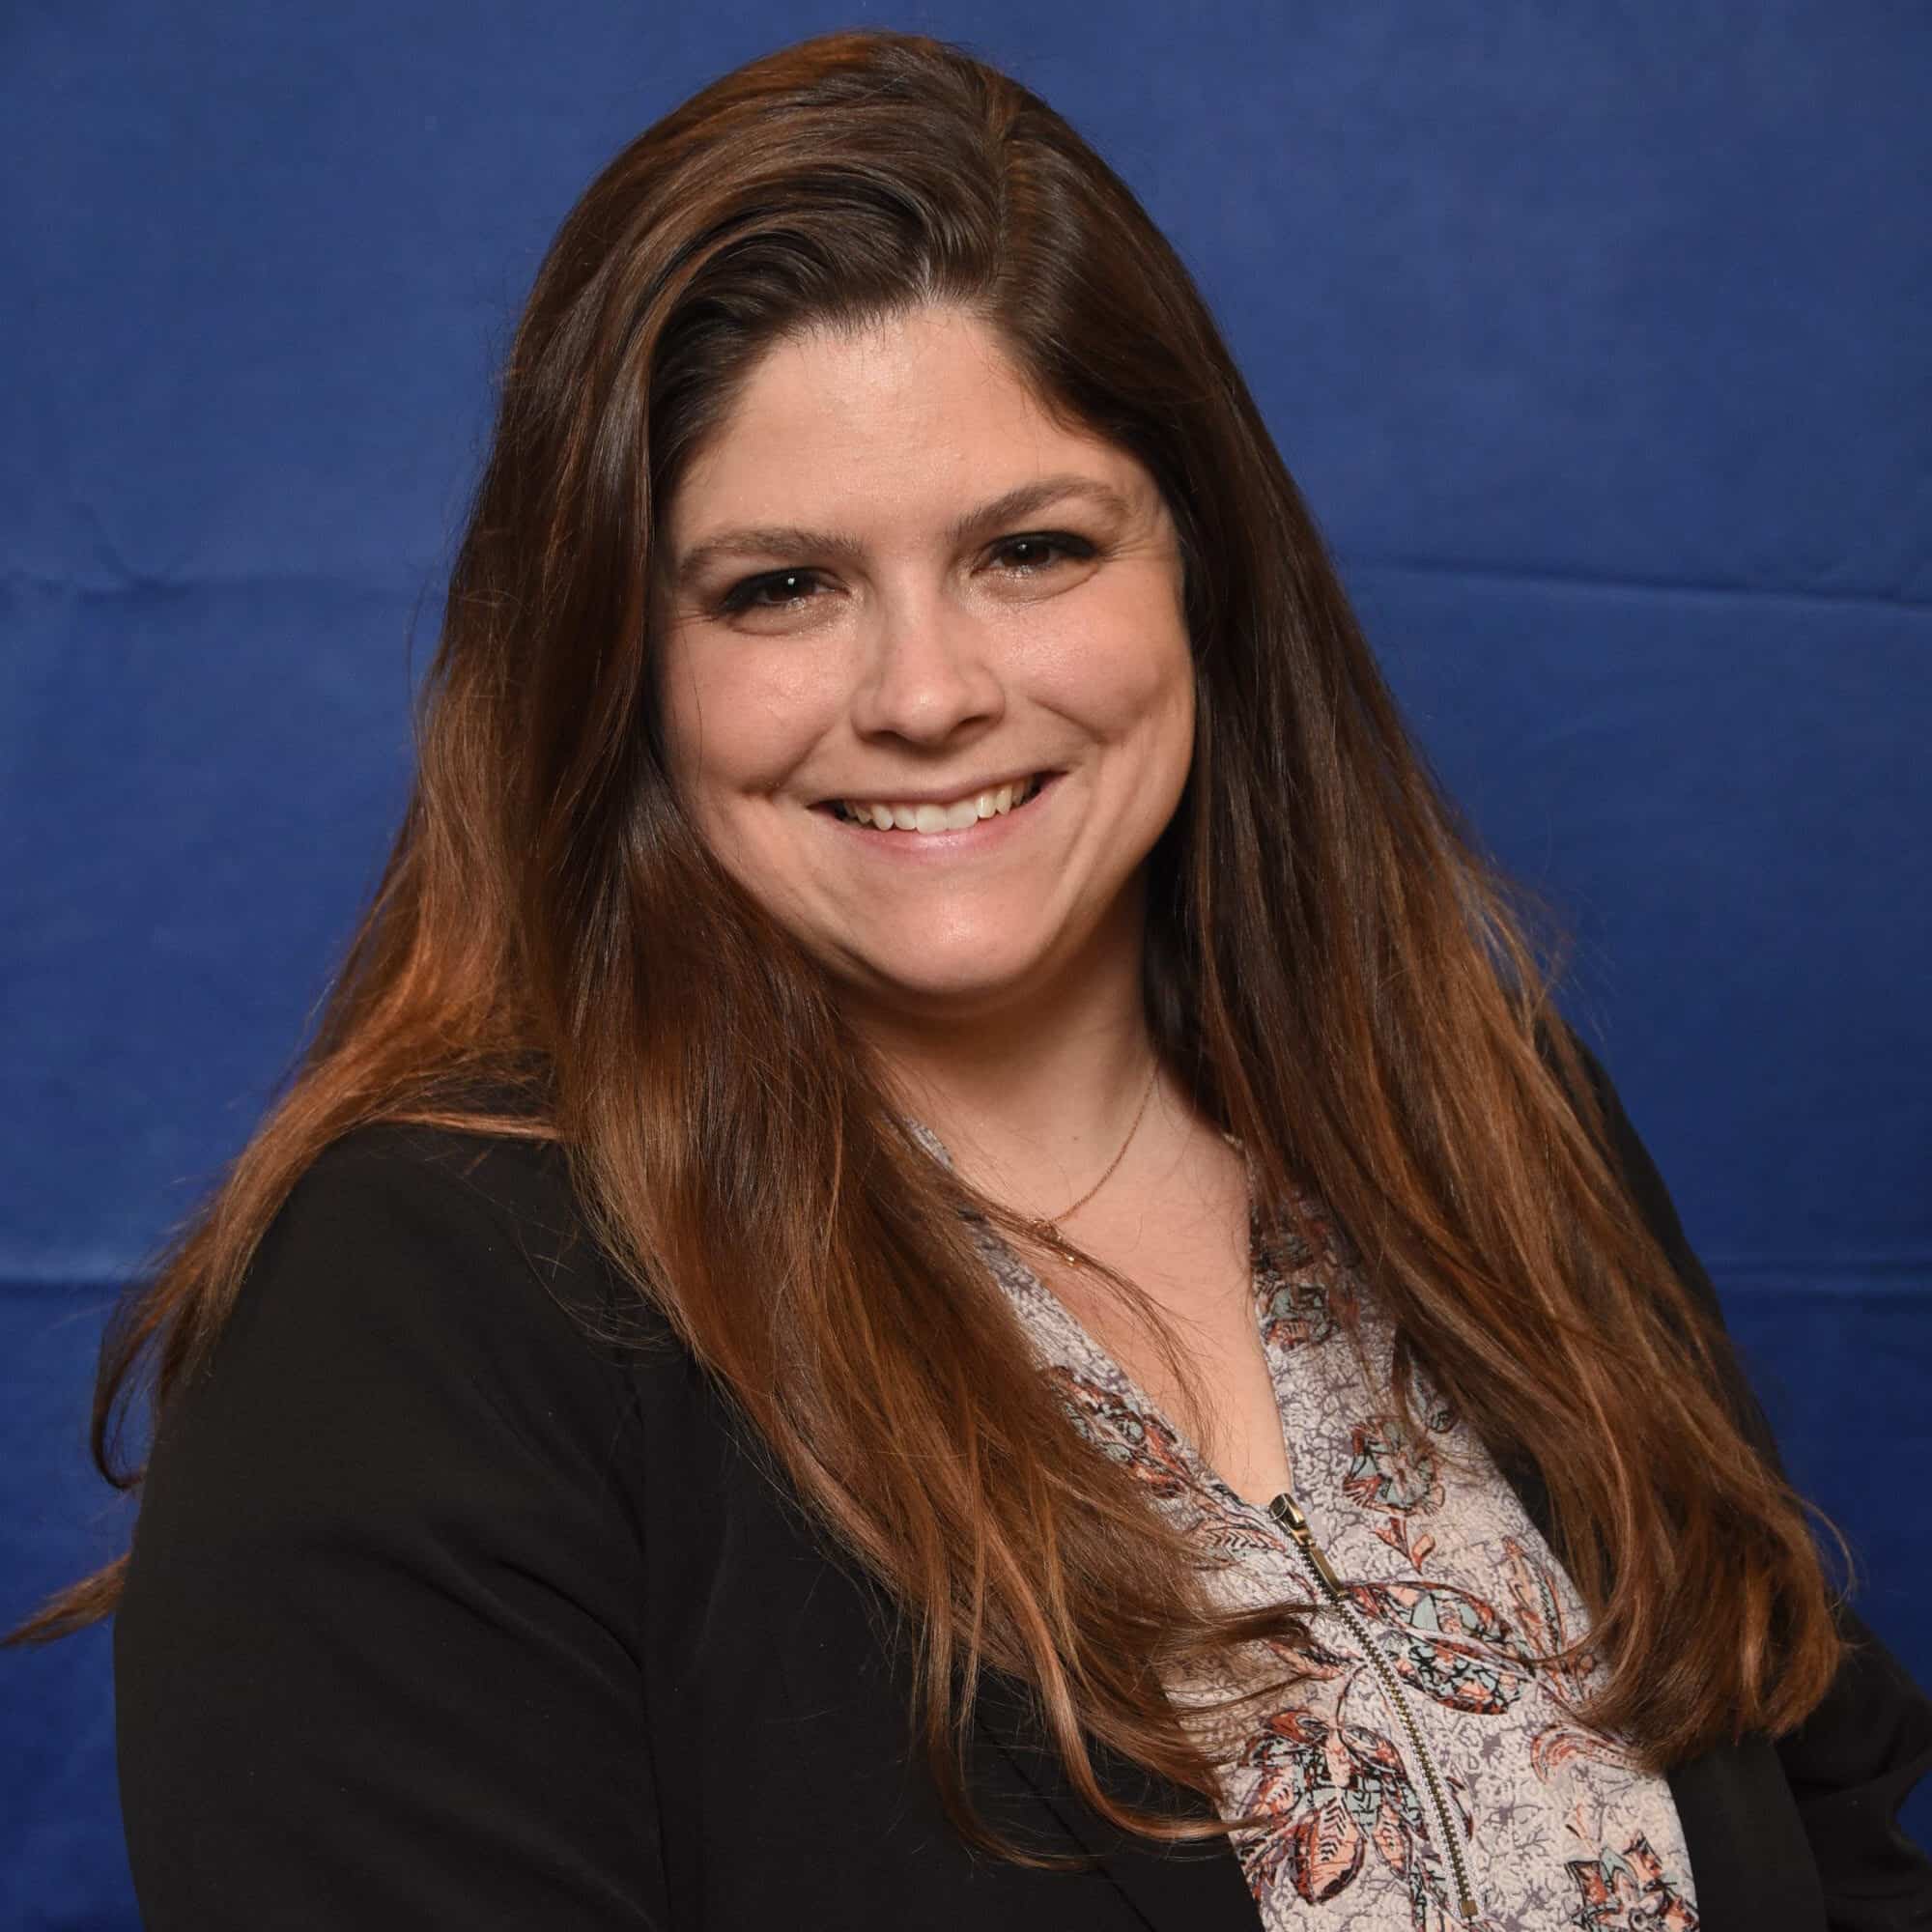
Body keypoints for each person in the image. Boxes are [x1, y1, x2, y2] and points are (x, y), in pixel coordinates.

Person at [11, 26, 1930, 1931]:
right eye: (779, 586)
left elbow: (1820, 1814)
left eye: (1030, 549)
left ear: (1201, 571)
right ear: (618, 659)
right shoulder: (420, 1305)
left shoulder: (1472, 1108)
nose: (925, 695)